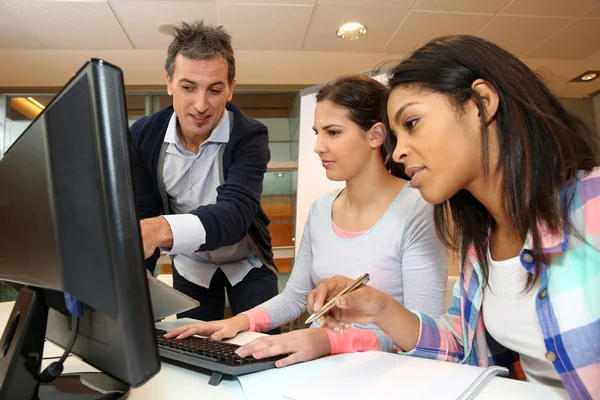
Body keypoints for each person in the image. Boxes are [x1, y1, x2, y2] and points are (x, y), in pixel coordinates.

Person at [309, 35, 600, 399]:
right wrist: (379, 307)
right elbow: (460, 348)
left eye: (412, 123)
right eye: (395, 137)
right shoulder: (479, 244)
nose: (397, 152)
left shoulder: (591, 205)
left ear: (482, 102)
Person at [166, 75, 448, 368]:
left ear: (375, 136)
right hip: (318, 367)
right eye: (317, 133)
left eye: (333, 132)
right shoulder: (322, 209)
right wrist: (236, 322)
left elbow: (423, 335)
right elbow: (294, 298)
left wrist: (333, 341)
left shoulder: (418, 210)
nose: (318, 147)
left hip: (381, 374)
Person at [130, 21, 278, 322]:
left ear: (231, 89)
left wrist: (160, 229)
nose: (200, 105)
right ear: (169, 82)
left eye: (214, 90)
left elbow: (235, 214)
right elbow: (143, 217)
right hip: (191, 264)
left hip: (247, 263)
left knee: (260, 351)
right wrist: (134, 292)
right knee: (194, 348)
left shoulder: (250, 136)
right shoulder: (142, 136)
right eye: (188, 87)